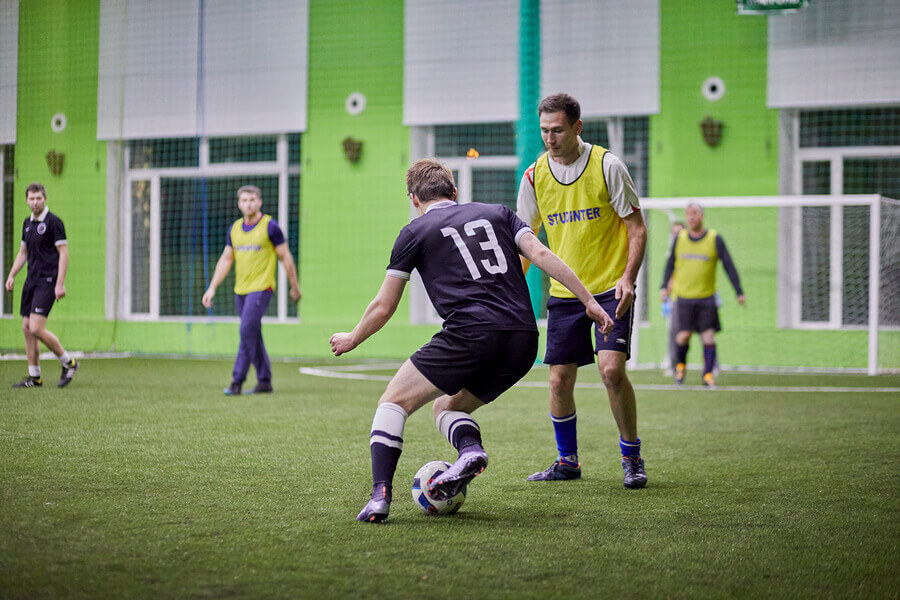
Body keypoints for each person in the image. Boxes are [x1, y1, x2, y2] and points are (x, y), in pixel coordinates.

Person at [330, 158, 613, 523]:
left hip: (470, 334)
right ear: (455, 192)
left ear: (414, 199)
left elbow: (384, 306)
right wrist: (589, 301)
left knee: (393, 402)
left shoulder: (414, 232)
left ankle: (380, 496)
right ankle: (469, 452)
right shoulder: (499, 213)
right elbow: (541, 254)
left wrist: (352, 338)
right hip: (523, 339)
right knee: (447, 407)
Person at [516, 93, 648, 488]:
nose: (550, 138)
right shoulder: (534, 176)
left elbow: (636, 228)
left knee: (611, 371)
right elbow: (525, 239)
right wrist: (511, 292)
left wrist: (628, 278)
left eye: (557, 130)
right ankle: (567, 462)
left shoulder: (607, 165)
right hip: (564, 293)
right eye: (543, 130)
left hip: (610, 288)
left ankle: (631, 456)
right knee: (558, 381)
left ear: (577, 127)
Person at [202, 185, 301, 395]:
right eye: (244, 200)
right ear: (239, 204)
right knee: (252, 334)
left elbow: (286, 257)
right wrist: (212, 288)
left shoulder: (270, 227)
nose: (248, 203)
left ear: (259, 202)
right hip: (241, 291)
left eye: (252, 200)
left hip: (262, 288)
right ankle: (264, 381)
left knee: (246, 329)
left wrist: (294, 285)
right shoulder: (234, 229)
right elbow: (226, 259)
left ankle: (237, 381)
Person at [659, 203, 744, 387]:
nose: (691, 217)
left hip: (706, 298)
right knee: (682, 337)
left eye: (695, 213)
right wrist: (664, 286)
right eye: (688, 213)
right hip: (683, 298)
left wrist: (739, 291)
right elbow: (670, 264)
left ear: (702, 216)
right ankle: (680, 370)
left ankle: (707, 376)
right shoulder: (680, 238)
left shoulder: (714, 239)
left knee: (708, 337)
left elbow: (728, 265)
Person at [5, 183, 80, 388]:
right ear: (27, 200)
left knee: (36, 328)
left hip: (48, 281)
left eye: (39, 198)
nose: (35, 202)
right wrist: (12, 274)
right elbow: (23, 253)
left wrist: (60, 284)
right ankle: (34, 376)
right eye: (32, 198)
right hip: (31, 281)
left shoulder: (54, 222)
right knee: (27, 329)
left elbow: (64, 253)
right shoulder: (27, 224)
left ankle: (69, 362)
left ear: (45, 198)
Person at [661, 220, 685, 374]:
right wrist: (664, 290)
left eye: (679, 232)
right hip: (674, 298)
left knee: (705, 333)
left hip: (692, 296)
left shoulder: (689, 250)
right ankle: (672, 364)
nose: (676, 235)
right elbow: (668, 273)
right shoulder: (671, 253)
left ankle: (713, 365)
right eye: (674, 232)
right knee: (672, 332)